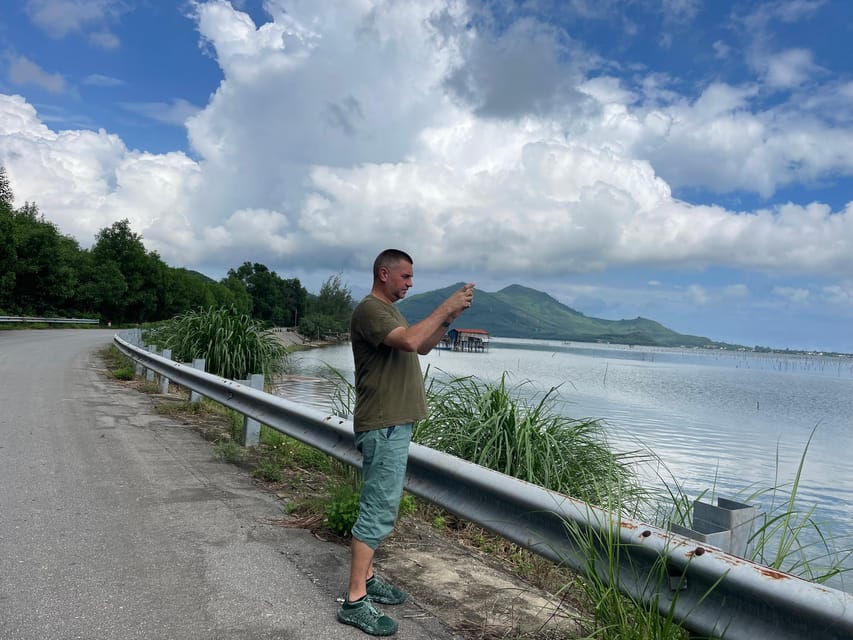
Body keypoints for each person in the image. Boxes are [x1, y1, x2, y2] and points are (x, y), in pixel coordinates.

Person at [337, 249, 474, 636]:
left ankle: (369, 576)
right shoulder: (370, 310)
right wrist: (445, 303)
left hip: (393, 425)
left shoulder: (390, 312)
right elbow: (413, 342)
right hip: (384, 425)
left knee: (383, 505)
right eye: (406, 277)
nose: (411, 284)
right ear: (385, 273)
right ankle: (355, 600)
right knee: (377, 511)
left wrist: (450, 317)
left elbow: (424, 344)